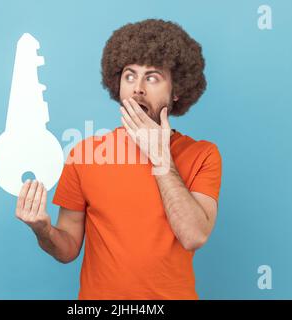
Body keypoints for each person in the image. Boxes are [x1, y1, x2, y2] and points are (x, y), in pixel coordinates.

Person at [15, 19, 222, 300]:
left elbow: (193, 235)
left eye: (152, 77)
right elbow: (67, 249)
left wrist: (160, 155)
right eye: (129, 76)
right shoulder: (85, 154)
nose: (138, 88)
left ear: (176, 92)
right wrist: (43, 230)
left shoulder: (202, 155)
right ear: (118, 85)